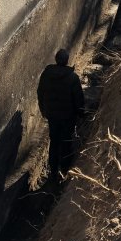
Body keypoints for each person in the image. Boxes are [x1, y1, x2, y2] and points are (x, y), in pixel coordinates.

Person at [37, 48, 85, 182]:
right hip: (67, 117)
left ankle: (53, 171)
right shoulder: (72, 78)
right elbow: (78, 99)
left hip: (52, 116)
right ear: (67, 60)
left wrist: (43, 110)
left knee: (54, 141)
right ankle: (64, 169)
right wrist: (82, 113)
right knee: (66, 141)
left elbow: (40, 93)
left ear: (56, 60)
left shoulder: (46, 74)